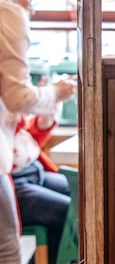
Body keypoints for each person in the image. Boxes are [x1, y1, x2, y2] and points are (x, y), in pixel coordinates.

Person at [0, 0, 76, 262]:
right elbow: (18, 98)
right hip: (13, 170)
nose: (31, 7)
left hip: (25, 168)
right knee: (8, 249)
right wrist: (56, 93)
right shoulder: (9, 13)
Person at [12, 112, 70, 264]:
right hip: (13, 183)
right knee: (69, 211)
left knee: (81, 193)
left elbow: (23, 141)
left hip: (34, 169)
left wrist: (43, 119)